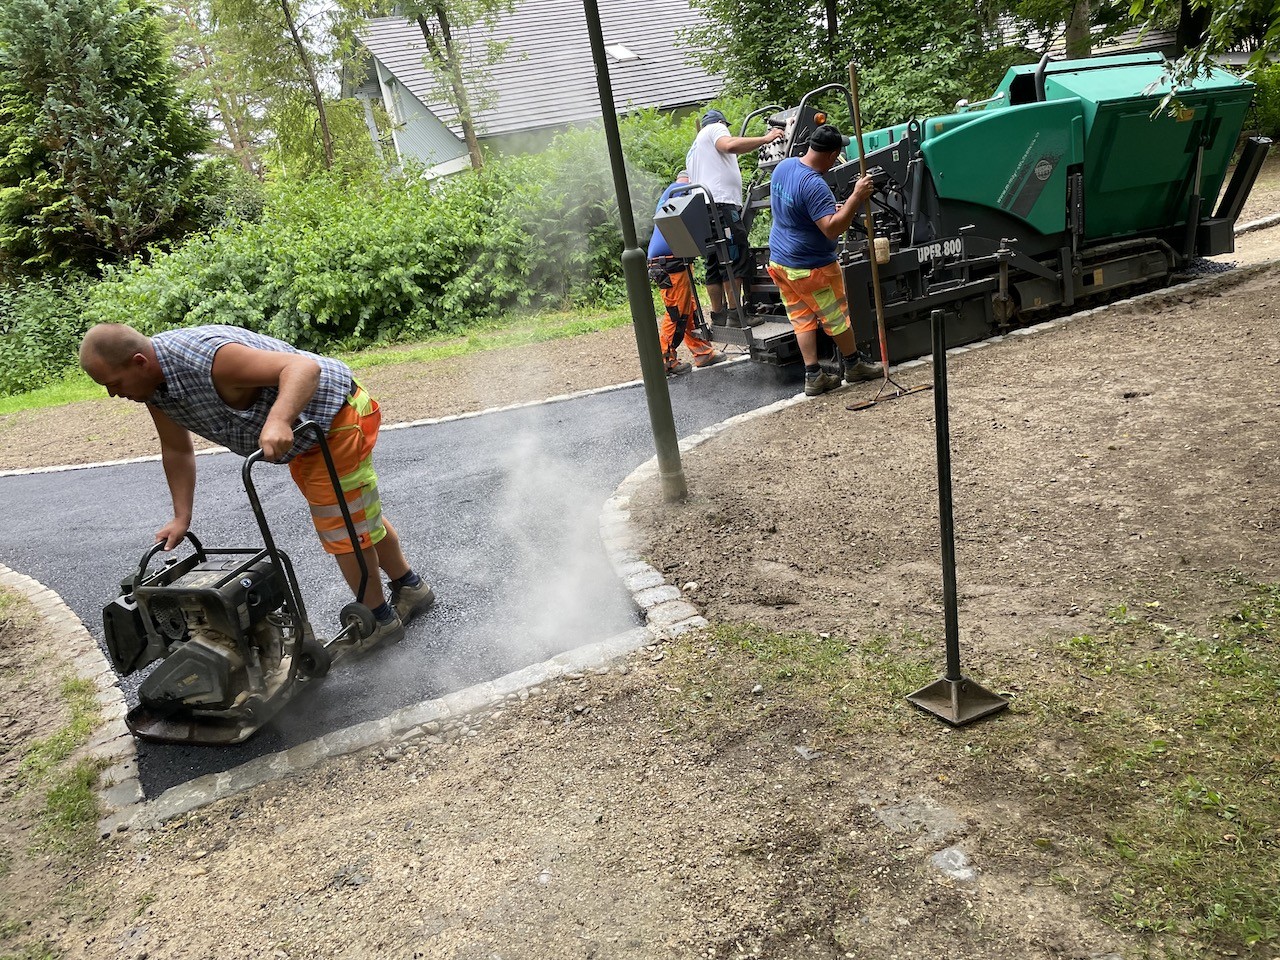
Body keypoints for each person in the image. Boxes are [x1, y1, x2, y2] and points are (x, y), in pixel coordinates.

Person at [79, 323, 435, 653]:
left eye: (113, 383)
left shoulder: (207, 359)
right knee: (353, 516)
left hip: (335, 419)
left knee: (342, 528)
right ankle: (410, 587)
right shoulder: (155, 390)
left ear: (139, 362)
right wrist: (181, 516)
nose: (112, 394)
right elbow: (176, 448)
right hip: (308, 439)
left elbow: (303, 369)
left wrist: (279, 419)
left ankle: (379, 623)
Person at [765, 123, 883, 397]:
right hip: (809, 267)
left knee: (801, 318)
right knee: (836, 317)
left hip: (780, 262)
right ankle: (854, 366)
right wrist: (856, 196)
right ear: (832, 155)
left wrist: (831, 210)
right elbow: (831, 229)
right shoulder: (815, 185)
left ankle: (814, 375)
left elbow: (798, 210)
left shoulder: (785, 167)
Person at [685, 108, 785, 323]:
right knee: (734, 257)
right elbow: (728, 145)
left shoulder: (694, 148)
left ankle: (718, 314)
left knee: (713, 261)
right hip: (721, 204)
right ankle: (736, 314)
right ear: (721, 123)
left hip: (704, 208)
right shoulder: (715, 128)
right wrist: (767, 138)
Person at [647, 169, 726, 375]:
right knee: (677, 313)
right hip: (669, 263)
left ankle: (703, 353)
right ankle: (664, 361)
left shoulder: (671, 194)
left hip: (674, 260)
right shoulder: (679, 190)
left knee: (689, 310)